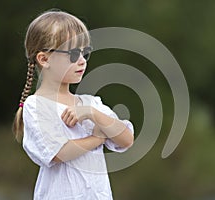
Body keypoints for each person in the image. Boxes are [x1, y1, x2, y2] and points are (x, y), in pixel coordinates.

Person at [12, 9, 134, 200]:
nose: (82, 61)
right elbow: (59, 152)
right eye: (73, 54)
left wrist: (91, 113)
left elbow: (126, 139)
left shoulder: (90, 104)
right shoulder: (35, 106)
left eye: (85, 53)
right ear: (44, 59)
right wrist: (98, 138)